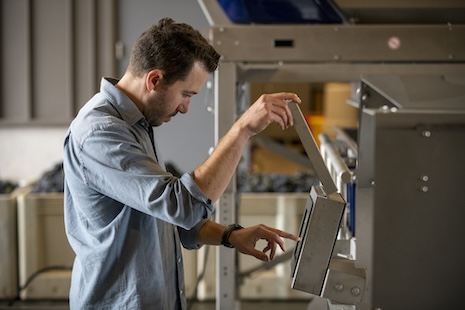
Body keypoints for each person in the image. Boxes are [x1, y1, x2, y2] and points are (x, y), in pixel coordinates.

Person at [63, 17, 301, 309]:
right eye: (186, 94)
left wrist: (230, 235)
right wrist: (243, 130)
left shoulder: (136, 124)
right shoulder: (101, 132)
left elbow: (162, 216)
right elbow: (182, 205)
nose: (185, 108)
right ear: (154, 80)